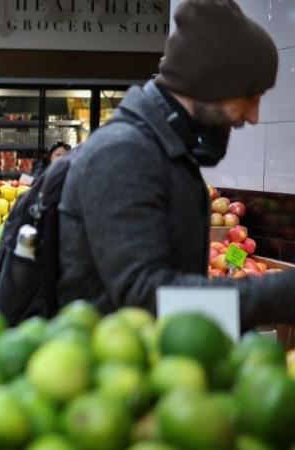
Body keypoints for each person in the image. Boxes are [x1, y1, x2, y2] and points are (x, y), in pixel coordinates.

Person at [56, 0, 295, 329]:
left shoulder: (162, 151)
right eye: (251, 94)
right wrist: (281, 295)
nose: (254, 116)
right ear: (214, 83)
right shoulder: (124, 155)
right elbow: (146, 299)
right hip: (112, 369)